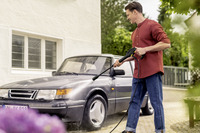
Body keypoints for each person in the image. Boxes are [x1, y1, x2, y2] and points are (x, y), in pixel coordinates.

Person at [114, 1, 170, 133]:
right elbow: (136, 54)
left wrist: (146, 49)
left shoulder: (152, 25)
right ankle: (129, 130)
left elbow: (166, 43)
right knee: (134, 103)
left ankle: (160, 130)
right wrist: (122, 60)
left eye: (128, 15)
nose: (127, 18)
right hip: (138, 74)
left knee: (156, 104)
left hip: (152, 72)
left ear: (135, 12)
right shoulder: (134, 33)